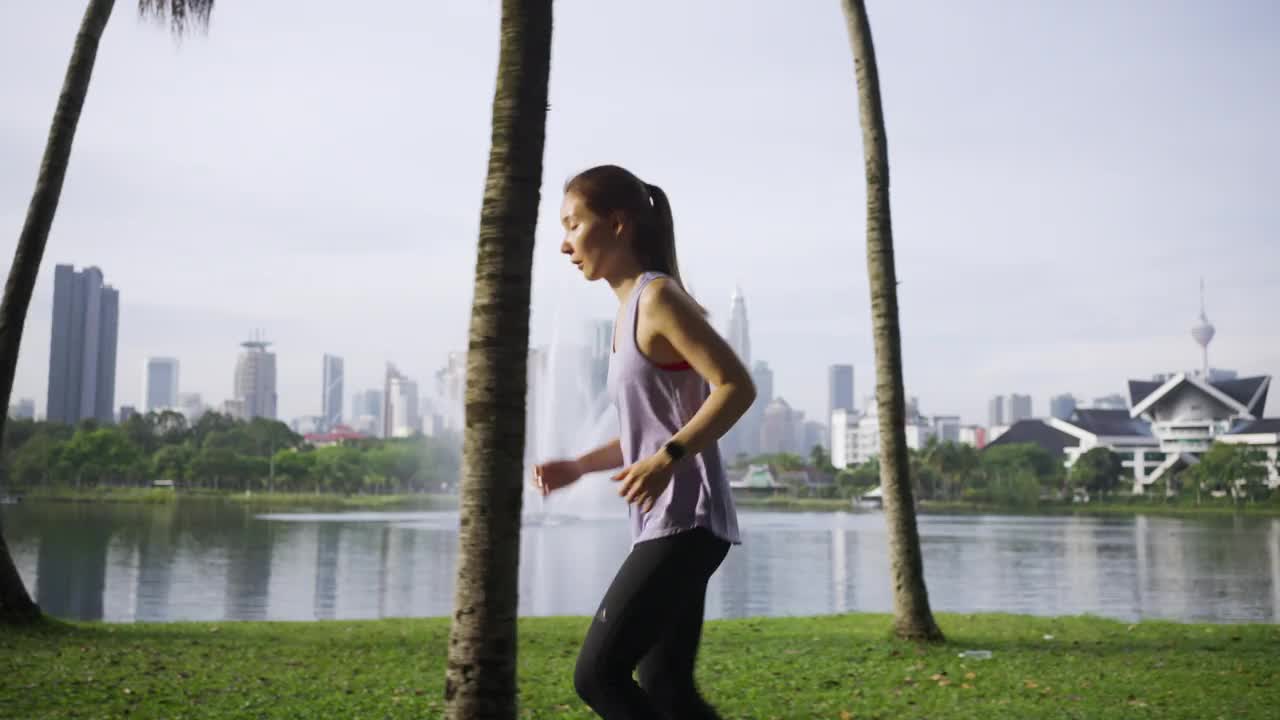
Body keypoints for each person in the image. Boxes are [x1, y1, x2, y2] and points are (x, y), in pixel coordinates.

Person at [533, 164, 755, 719]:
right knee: (666, 685)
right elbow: (649, 426)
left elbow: (736, 387)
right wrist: (579, 466)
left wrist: (668, 457)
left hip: (687, 520)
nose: (564, 244)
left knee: (599, 675)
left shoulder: (658, 299)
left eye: (572, 224)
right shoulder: (627, 310)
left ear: (617, 223)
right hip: (670, 522)